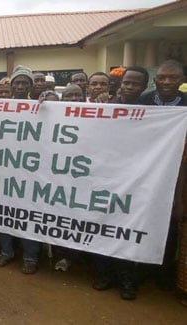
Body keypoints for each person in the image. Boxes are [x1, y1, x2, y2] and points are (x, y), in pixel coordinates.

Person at [91, 66, 149, 300]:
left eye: (136, 83)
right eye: (126, 82)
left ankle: (127, 280)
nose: (130, 86)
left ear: (145, 87)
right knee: (101, 228)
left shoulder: (153, 112)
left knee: (125, 231)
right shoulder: (107, 106)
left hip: (135, 180)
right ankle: (104, 275)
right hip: (103, 177)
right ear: (120, 83)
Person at [138, 60, 187, 294]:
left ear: (181, 81)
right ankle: (141, 269)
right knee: (143, 219)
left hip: (177, 173)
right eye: (163, 77)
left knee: (170, 226)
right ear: (155, 79)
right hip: (144, 173)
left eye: (173, 78)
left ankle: (164, 271)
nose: (167, 82)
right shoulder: (142, 102)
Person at [0, 64, 41, 274]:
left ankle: (30, 257)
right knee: (6, 213)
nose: (20, 86)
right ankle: (6, 251)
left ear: (30, 85)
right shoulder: (1, 107)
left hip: (31, 173)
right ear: (11, 85)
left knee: (30, 215)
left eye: (24, 83)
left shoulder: (41, 107)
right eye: (17, 82)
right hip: (6, 172)